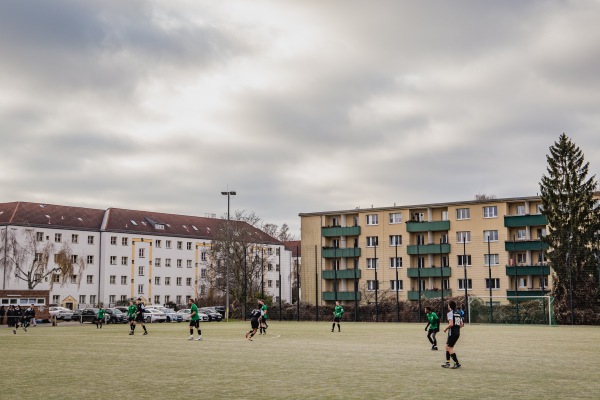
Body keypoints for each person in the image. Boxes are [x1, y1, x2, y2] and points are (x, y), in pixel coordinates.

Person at [441, 300, 463, 369]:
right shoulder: (458, 313)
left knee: (449, 348)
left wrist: (445, 328)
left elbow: (451, 324)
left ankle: (457, 363)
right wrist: (456, 328)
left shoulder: (450, 313)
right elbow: (462, 325)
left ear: (449, 306)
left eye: (448, 305)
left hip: (452, 333)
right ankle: (447, 363)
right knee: (447, 347)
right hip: (457, 332)